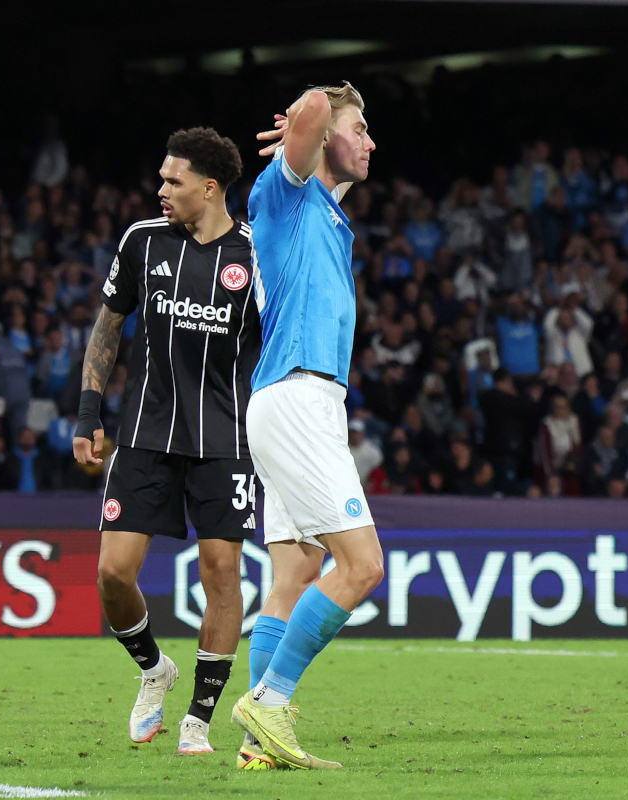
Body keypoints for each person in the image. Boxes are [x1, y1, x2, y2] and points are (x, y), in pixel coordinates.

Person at [71, 128, 260, 756]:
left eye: (173, 181)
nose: (161, 190)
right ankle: (154, 669)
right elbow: (108, 326)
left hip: (224, 440)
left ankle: (198, 720)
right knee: (112, 575)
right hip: (145, 436)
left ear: (208, 188)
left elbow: (276, 348)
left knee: (222, 573)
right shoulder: (142, 241)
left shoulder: (256, 257)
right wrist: (88, 413)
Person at [232, 82, 380, 771]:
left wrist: (319, 125)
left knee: (295, 572)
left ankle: (255, 741)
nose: (371, 142)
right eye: (362, 128)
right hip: (298, 399)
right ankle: (271, 700)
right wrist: (312, 117)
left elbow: (321, 117)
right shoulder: (284, 196)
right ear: (325, 140)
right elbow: (318, 101)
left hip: (288, 402)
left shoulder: (324, 213)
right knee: (363, 565)